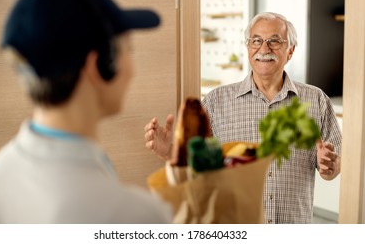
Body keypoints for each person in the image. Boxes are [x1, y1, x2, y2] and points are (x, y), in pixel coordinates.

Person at [0, 0, 172, 224]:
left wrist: (172, 158)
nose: (132, 68)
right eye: (128, 50)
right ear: (98, 66)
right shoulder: (131, 214)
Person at [144, 12, 342, 224]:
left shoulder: (316, 100)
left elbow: (333, 168)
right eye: (256, 41)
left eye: (274, 41)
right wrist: (170, 153)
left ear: (290, 51)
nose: (264, 49)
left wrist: (330, 166)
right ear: (248, 47)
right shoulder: (215, 101)